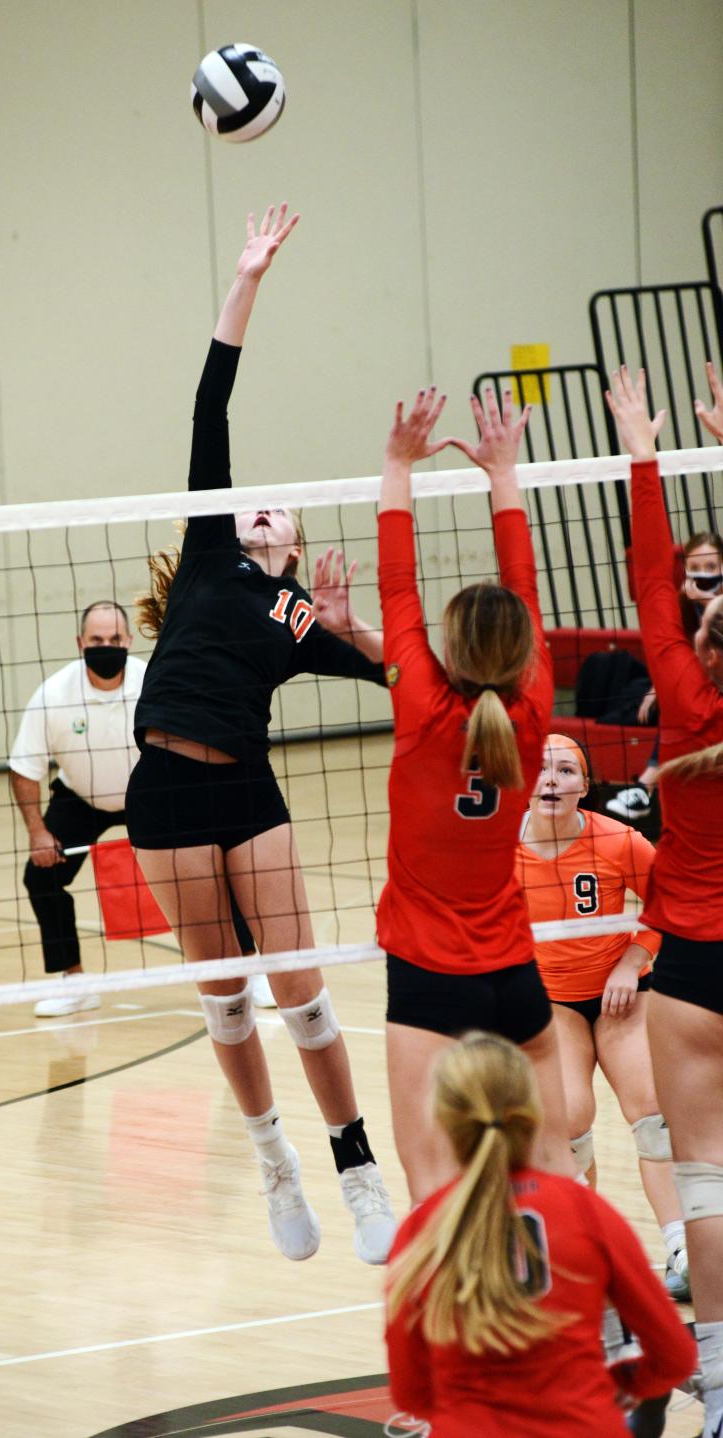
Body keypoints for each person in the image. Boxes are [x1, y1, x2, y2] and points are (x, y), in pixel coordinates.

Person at [126, 204, 396, 1265]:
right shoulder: (204, 554)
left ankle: (356, 1163)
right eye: (253, 507)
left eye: (277, 513)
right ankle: (272, 1155)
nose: (260, 513)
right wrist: (247, 277)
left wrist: (347, 623)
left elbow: (401, 670)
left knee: (301, 987)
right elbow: (211, 401)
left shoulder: (295, 618)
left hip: (246, 791)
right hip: (163, 793)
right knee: (225, 996)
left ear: (293, 542)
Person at [374, 385, 571, 1202]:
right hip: (515, 973)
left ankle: (453, 1325)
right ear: (524, 651)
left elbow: (395, 588)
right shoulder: (533, 709)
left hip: (427, 976)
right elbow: (521, 589)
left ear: (448, 649)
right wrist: (504, 474)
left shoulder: (422, 707)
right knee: (554, 1169)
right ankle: (589, 1318)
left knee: (432, 1181)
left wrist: (396, 462)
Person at [384, 1031, 696, 1438]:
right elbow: (674, 1355)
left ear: (442, 1119)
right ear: (534, 1111)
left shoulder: (424, 1226)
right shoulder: (584, 1211)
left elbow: (409, 1393)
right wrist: (620, 1391)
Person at [605, 361, 723, 1438]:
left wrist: (646, 450)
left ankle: (722, 1391)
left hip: (689, 962)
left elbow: (651, 578)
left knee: (705, 1183)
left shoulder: (683, 703)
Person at [9, 600, 269, 1015]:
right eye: (97, 640)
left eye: (114, 639)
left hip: (153, 790)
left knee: (215, 864)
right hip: (82, 797)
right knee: (40, 877)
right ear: (81, 643)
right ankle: (73, 981)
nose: (106, 646)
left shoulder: (155, 680)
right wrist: (38, 832)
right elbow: (24, 769)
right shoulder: (53, 694)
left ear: (129, 641)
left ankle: (250, 971)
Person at [516, 734, 689, 1299]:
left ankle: (683, 1249)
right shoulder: (496, 850)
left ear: (584, 788)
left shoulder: (619, 840)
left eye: (566, 771)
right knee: (567, 1122)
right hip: (552, 1003)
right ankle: (582, 1248)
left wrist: (633, 960)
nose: (551, 780)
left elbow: (671, 901)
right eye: (541, 770)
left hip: (623, 995)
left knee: (653, 1115)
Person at [607, 529, 723, 822]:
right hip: (700, 692)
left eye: (711, 567)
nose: (704, 574)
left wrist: (712, 604)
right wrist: (660, 687)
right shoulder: (683, 604)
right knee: (674, 706)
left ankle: (645, 785)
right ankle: (644, 790)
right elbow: (679, 655)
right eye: (696, 567)